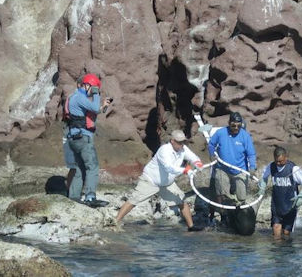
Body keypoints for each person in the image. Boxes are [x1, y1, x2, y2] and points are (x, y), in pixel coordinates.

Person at [115, 130, 204, 232]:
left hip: (167, 183)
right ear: (172, 141)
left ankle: (191, 227)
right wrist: (185, 170)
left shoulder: (183, 149)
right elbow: (169, 168)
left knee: (182, 202)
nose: (181, 144)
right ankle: (115, 222)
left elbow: (193, 157)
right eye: (179, 142)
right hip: (151, 180)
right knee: (134, 200)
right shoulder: (164, 150)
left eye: (183, 142)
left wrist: (198, 163)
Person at [66, 73, 111, 205]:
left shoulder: (75, 97)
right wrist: (97, 93)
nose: (93, 92)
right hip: (83, 138)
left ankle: (73, 197)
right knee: (92, 167)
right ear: (87, 86)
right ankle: (90, 197)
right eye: (94, 88)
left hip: (74, 138)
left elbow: (95, 111)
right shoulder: (79, 97)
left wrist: (104, 106)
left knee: (80, 168)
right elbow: (95, 108)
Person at [208, 112, 257, 221]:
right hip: (222, 168)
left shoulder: (245, 136)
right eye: (233, 125)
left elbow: (251, 154)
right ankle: (223, 215)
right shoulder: (220, 133)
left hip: (240, 170)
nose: (236, 128)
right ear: (229, 123)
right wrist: (212, 155)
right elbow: (211, 144)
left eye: (238, 126)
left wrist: (252, 167)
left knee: (241, 197)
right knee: (221, 193)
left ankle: (240, 215)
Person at [258, 146, 302, 240]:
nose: (278, 163)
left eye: (281, 161)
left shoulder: (293, 169)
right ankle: (277, 253)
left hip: (290, 207)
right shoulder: (271, 166)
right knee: (276, 232)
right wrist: (262, 186)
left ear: (286, 157)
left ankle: (287, 253)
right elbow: (264, 177)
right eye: (276, 161)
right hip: (276, 205)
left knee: (286, 235)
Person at [62, 76, 83, 193]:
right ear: (80, 85)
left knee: (76, 167)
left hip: (75, 136)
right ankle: (71, 192)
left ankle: (72, 191)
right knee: (75, 167)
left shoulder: (76, 98)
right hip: (72, 136)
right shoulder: (75, 98)